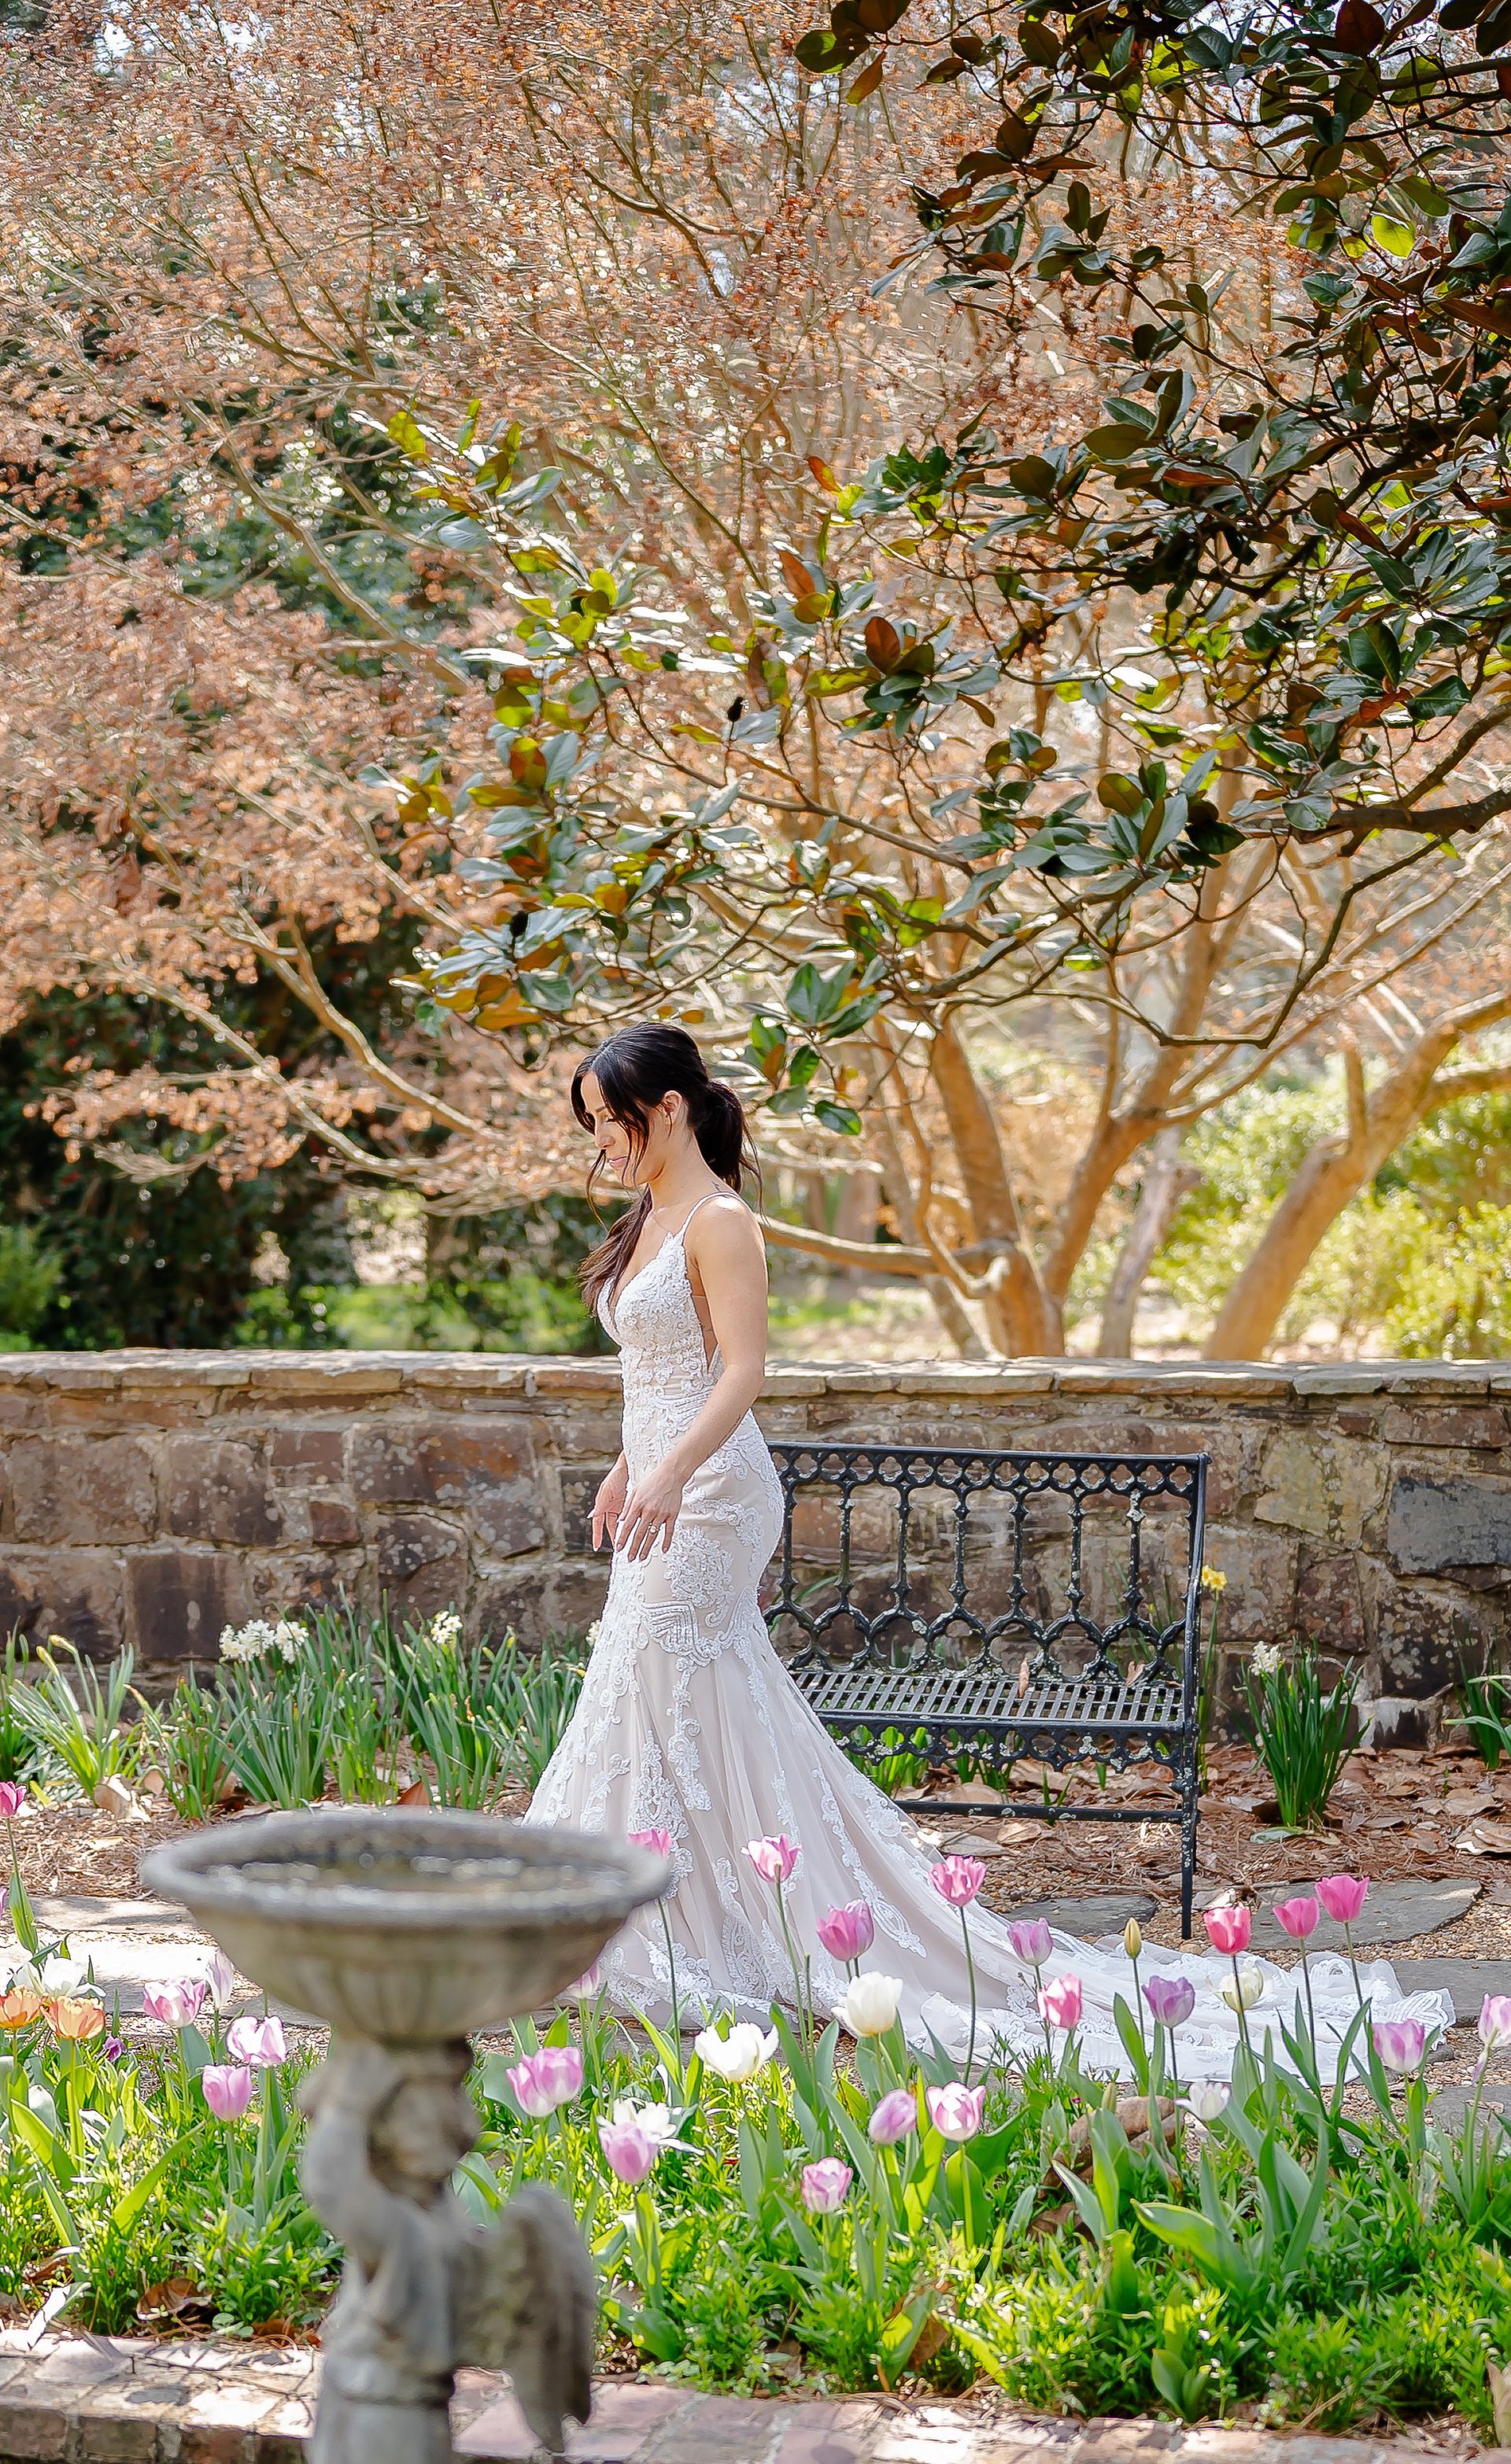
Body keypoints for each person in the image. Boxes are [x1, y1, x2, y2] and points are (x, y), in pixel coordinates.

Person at [526, 1024, 1450, 2078]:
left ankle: (717, 1914)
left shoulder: (721, 1221)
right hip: (660, 1484)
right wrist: (626, 1466)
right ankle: (683, 1912)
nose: (601, 1143)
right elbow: (658, 1372)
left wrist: (669, 1473)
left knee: (668, 1678)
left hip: (711, 1497)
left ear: (669, 1109)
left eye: (611, 1121)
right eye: (592, 1124)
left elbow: (742, 1372)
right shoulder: (648, 1215)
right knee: (665, 1689)